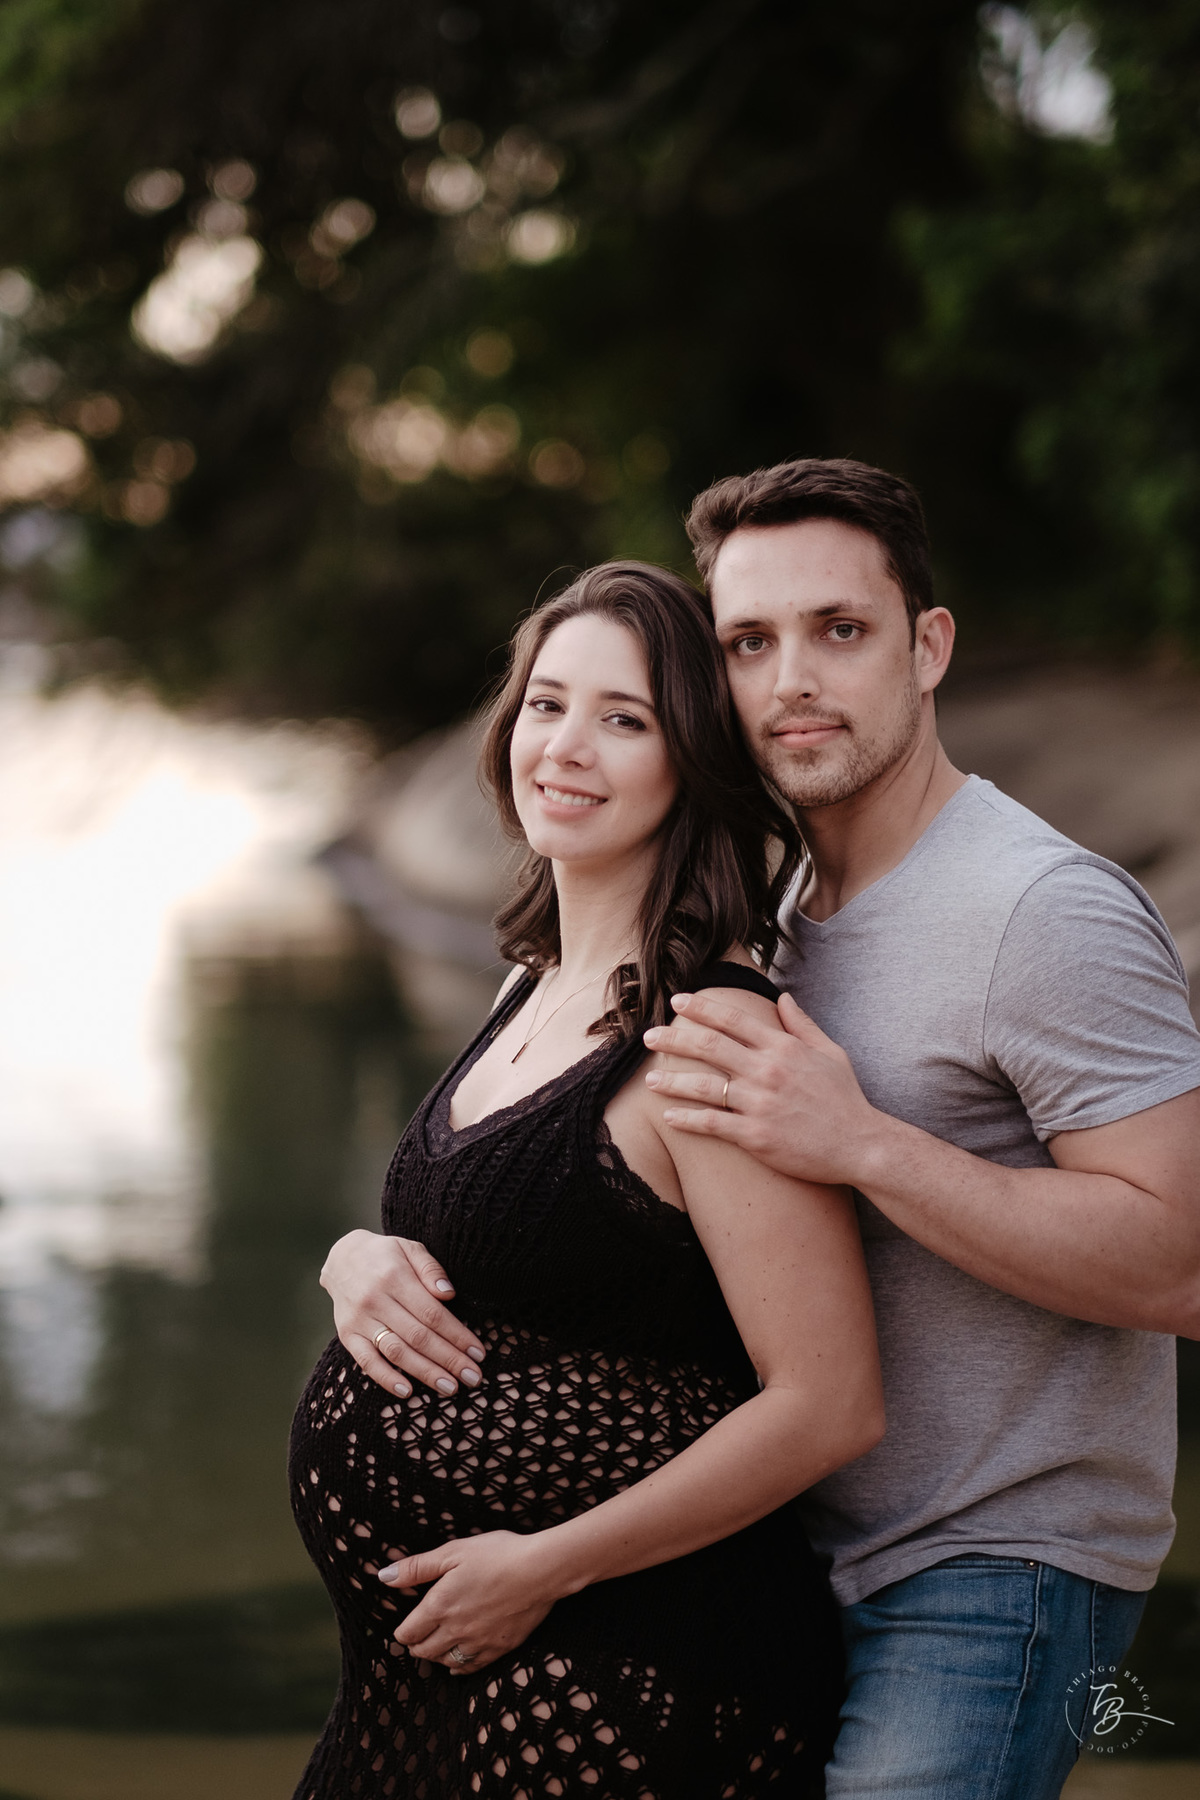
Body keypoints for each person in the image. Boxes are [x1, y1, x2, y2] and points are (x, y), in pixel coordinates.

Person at [326, 459, 1200, 1798]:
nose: (791, 678)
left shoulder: (1042, 912)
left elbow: (1180, 1267)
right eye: (749, 642)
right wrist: (362, 1257)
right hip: (780, 1551)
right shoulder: (773, 915)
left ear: (929, 647)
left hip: (988, 1564)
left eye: (839, 631)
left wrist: (866, 1146)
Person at [290, 561, 884, 1800]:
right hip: (444, 1676)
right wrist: (353, 1261)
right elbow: (504, 1266)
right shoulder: (530, 980)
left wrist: (546, 1566)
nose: (566, 746)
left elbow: (828, 1404)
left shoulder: (710, 1034)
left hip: (630, 1674)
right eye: (548, 703)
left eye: (626, 719)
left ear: (694, 767)